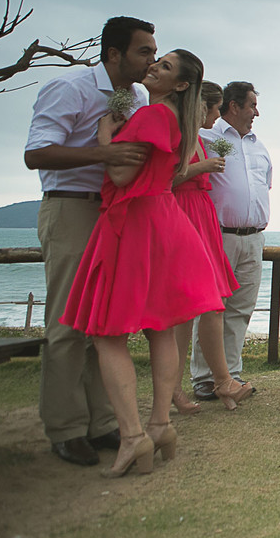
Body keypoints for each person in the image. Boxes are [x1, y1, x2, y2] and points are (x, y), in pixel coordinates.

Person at [60, 49, 226, 477]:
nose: (154, 67)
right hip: (165, 218)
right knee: (160, 327)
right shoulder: (178, 120)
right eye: (157, 61)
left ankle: (134, 436)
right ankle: (160, 424)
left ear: (181, 85)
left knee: (105, 331)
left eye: (165, 66)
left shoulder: (152, 117)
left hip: (136, 222)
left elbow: (119, 177)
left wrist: (103, 135)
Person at [23, 16, 156, 467]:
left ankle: (103, 422)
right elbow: (35, 153)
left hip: (113, 212)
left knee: (106, 322)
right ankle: (64, 428)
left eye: (155, 53)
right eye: (144, 52)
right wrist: (103, 153)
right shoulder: (70, 88)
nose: (151, 60)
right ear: (114, 54)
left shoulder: (136, 97)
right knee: (66, 324)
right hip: (70, 208)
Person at [171, 80, 254, 412]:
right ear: (202, 107)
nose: (218, 115)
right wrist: (203, 166)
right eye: (216, 108)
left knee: (213, 305)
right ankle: (215, 381)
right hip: (187, 217)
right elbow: (166, 175)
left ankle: (220, 379)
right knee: (199, 307)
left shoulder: (200, 136)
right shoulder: (190, 136)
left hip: (202, 219)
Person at [189, 81, 272, 401]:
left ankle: (231, 374)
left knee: (240, 309)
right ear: (233, 106)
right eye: (252, 105)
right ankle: (204, 377)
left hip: (253, 237)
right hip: (218, 235)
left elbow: (265, 184)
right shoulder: (207, 137)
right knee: (211, 307)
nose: (256, 112)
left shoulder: (258, 146)